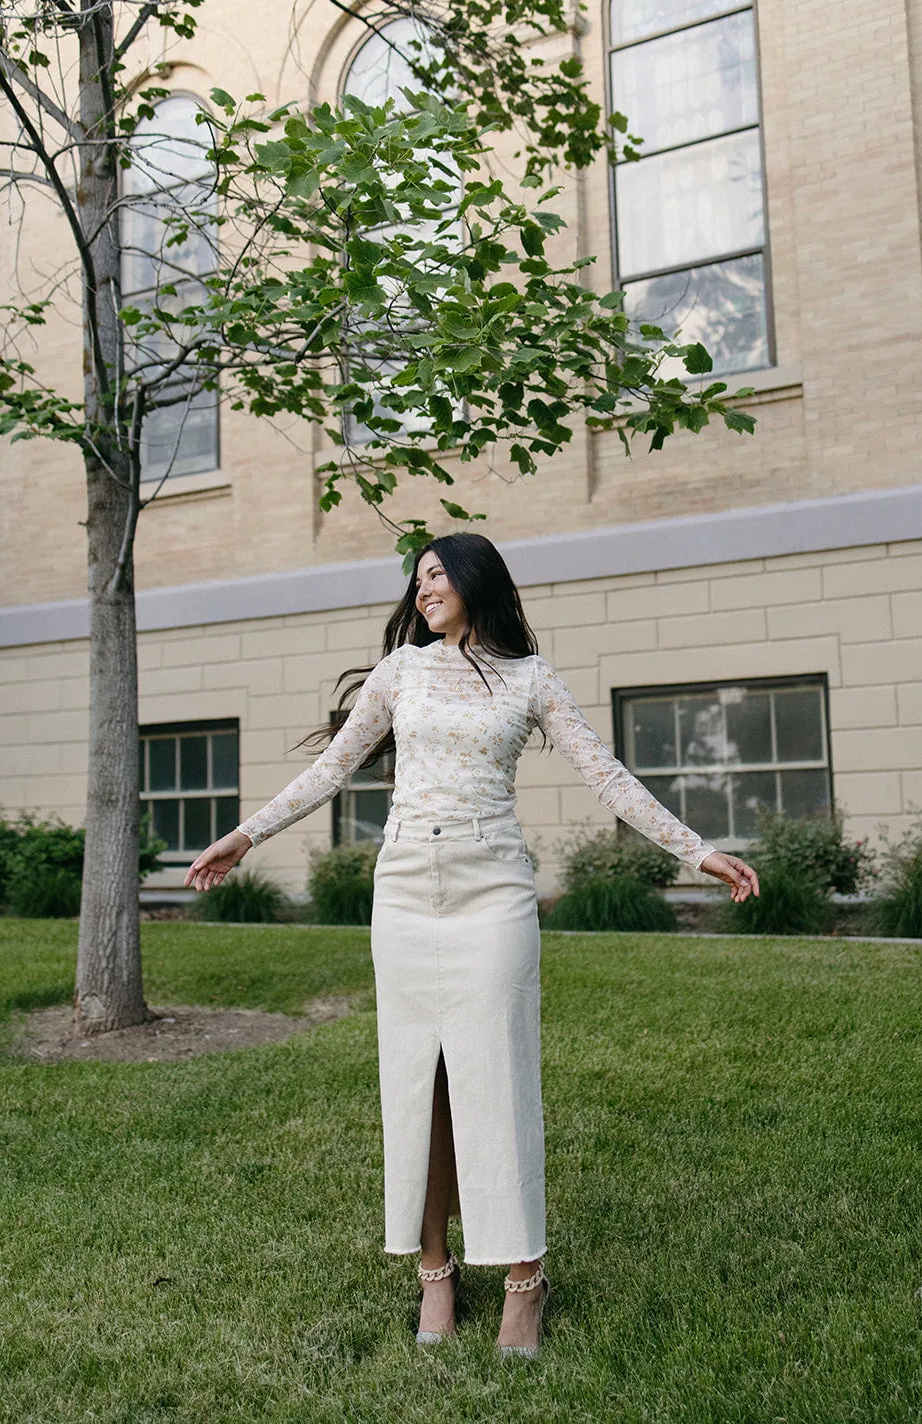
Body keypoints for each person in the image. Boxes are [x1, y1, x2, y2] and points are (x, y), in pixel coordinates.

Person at [186, 533, 758, 1356]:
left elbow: (606, 776)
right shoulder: (400, 673)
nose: (424, 589)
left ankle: (524, 1281)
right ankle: (435, 1272)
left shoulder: (531, 680)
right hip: (407, 890)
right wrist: (246, 836)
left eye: (437, 573)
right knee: (419, 1087)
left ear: (476, 581)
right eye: (416, 578)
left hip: (492, 891)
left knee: (495, 1081)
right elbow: (332, 768)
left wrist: (694, 850)